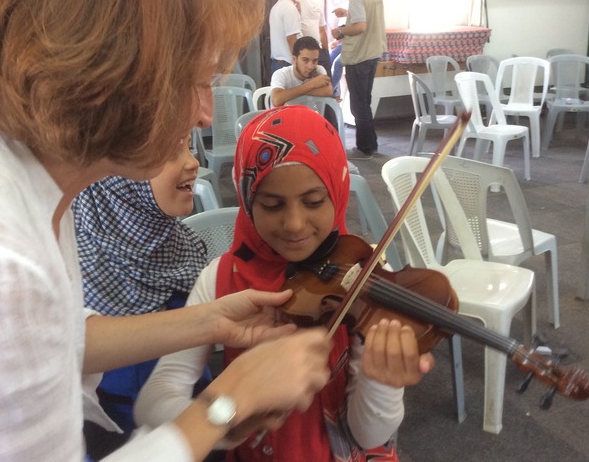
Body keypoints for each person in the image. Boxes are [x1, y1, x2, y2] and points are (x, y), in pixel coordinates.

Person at [0, 0, 332, 461]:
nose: (202, 115)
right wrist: (224, 403)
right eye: (197, 83)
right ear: (115, 77)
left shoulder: (27, 183)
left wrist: (209, 320)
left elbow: (57, 337)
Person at [135, 107, 435, 462]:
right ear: (247, 200)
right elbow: (152, 400)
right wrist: (226, 418)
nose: (293, 224)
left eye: (313, 202)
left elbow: (369, 434)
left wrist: (382, 382)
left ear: (337, 193)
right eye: (272, 204)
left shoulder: (360, 277)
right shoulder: (221, 278)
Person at [73, 134, 210, 459]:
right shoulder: (79, 277)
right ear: (116, 178)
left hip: (198, 426)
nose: (193, 162)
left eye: (189, 147)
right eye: (169, 153)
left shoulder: (184, 247)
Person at [332, 0, 387, 160]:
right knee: (365, 100)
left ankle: (366, 147)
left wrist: (340, 32)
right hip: (373, 53)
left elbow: (361, 26)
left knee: (358, 104)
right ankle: (370, 143)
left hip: (360, 55)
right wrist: (347, 14)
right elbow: (368, 16)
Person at [270, 36, 332, 107]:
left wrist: (293, 94)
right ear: (294, 59)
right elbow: (276, 100)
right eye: (305, 60)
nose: (311, 66)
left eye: (315, 60)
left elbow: (328, 90)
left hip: (309, 116)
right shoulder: (281, 74)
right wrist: (312, 84)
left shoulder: (319, 70)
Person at [296, 0, 332, 78]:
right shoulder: (315, 1)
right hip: (316, 50)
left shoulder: (295, 3)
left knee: (310, 84)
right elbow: (322, 29)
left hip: (307, 52)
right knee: (324, 82)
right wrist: (326, 51)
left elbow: (321, 29)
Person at [268, 0, 302, 75]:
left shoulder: (278, 6)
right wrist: (299, 63)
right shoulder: (289, 8)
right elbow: (291, 38)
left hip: (278, 64)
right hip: (288, 65)